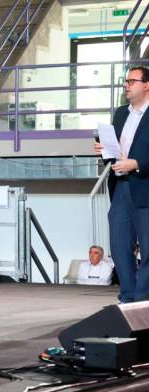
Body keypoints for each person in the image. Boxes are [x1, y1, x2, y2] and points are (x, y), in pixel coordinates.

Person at [95, 65, 149, 303]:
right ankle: (128, 297)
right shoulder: (120, 113)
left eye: (132, 81)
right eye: (126, 81)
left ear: (146, 85)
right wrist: (103, 150)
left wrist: (136, 163)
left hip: (145, 186)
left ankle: (143, 298)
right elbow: (115, 149)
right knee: (118, 244)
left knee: (148, 249)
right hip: (120, 186)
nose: (126, 85)